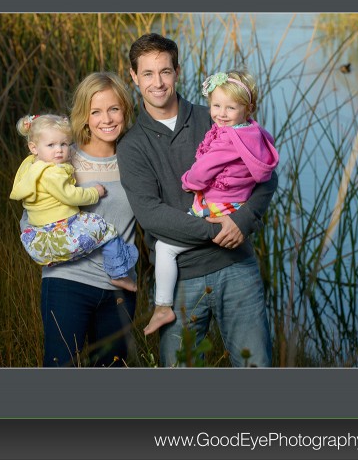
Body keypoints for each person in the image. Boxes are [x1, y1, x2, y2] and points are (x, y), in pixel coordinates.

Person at [117, 33, 277, 367]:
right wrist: (215, 229)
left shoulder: (217, 115)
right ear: (133, 77)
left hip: (238, 269)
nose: (158, 82)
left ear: (177, 71)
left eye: (165, 71)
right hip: (181, 279)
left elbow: (266, 173)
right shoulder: (132, 145)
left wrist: (243, 221)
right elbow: (150, 214)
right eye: (147, 73)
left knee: (255, 368)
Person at [143, 70, 279, 335]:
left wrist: (187, 181)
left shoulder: (228, 138)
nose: (221, 113)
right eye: (216, 106)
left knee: (164, 248)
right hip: (237, 205)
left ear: (247, 107)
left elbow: (202, 171)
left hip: (217, 209)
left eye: (230, 107)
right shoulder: (254, 132)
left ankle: (162, 306)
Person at [27, 72, 139, 367]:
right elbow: (31, 218)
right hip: (67, 283)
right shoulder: (62, 159)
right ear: (84, 117)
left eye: (114, 109)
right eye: (96, 111)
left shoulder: (137, 162)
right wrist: (48, 248)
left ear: (125, 111)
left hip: (121, 288)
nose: (107, 119)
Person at [11, 113, 137, 292]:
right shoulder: (53, 172)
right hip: (64, 223)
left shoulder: (30, 166)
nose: (59, 150)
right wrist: (95, 192)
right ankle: (119, 273)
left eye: (64, 144)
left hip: (42, 228)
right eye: (51, 145)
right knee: (106, 230)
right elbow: (70, 196)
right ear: (34, 147)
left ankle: (61, 259)